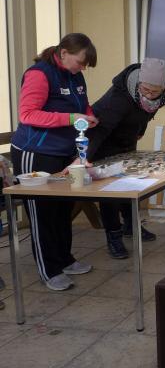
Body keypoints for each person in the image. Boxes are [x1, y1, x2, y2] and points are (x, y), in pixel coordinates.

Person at [10, 33, 98, 291]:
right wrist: (71, 119)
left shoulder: (75, 74)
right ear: (64, 53)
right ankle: (49, 269)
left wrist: (89, 116)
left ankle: (64, 259)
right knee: (42, 213)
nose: (82, 68)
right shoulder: (39, 74)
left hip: (64, 152)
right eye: (80, 62)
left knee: (62, 209)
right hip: (35, 152)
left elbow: (82, 105)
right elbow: (28, 115)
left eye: (85, 65)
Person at [86, 58, 165, 258]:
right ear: (139, 83)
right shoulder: (120, 96)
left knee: (129, 183)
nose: (149, 95)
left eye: (154, 92)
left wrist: (140, 131)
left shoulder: (162, 95)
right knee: (110, 190)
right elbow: (101, 129)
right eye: (145, 90)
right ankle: (114, 237)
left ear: (163, 88)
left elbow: (147, 113)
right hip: (102, 140)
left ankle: (131, 226)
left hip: (126, 139)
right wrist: (84, 158)